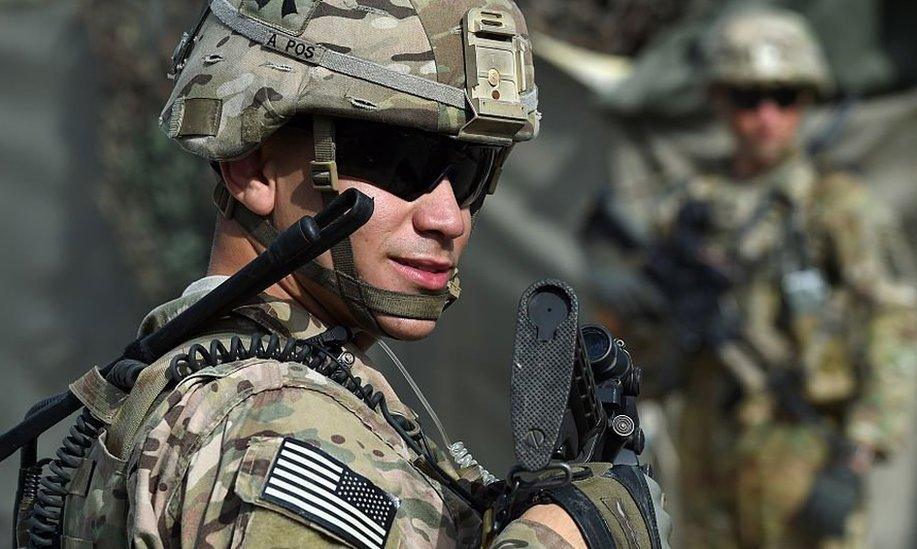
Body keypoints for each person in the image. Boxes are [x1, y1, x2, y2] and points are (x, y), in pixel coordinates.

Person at [24, 1, 672, 547]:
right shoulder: (273, 426)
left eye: (472, 171)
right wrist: (568, 530)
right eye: (399, 161)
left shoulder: (212, 377)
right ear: (250, 166)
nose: (448, 215)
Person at [583, 6, 917, 548]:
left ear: (807, 100)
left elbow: (893, 328)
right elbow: (638, 339)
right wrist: (625, 304)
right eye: (747, 98)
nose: (766, 116)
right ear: (719, 99)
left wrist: (858, 454)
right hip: (704, 452)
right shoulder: (686, 209)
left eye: (784, 97)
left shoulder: (835, 207)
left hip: (803, 447)